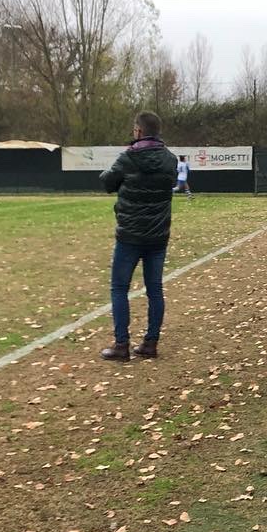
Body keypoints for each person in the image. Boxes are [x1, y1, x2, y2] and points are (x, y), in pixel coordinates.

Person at [99, 111, 178, 362]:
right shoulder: (170, 160)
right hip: (158, 236)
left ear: (139, 131)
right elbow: (170, 183)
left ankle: (121, 344)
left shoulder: (128, 158)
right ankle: (150, 343)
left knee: (119, 288)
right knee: (154, 289)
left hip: (130, 235)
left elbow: (107, 182)